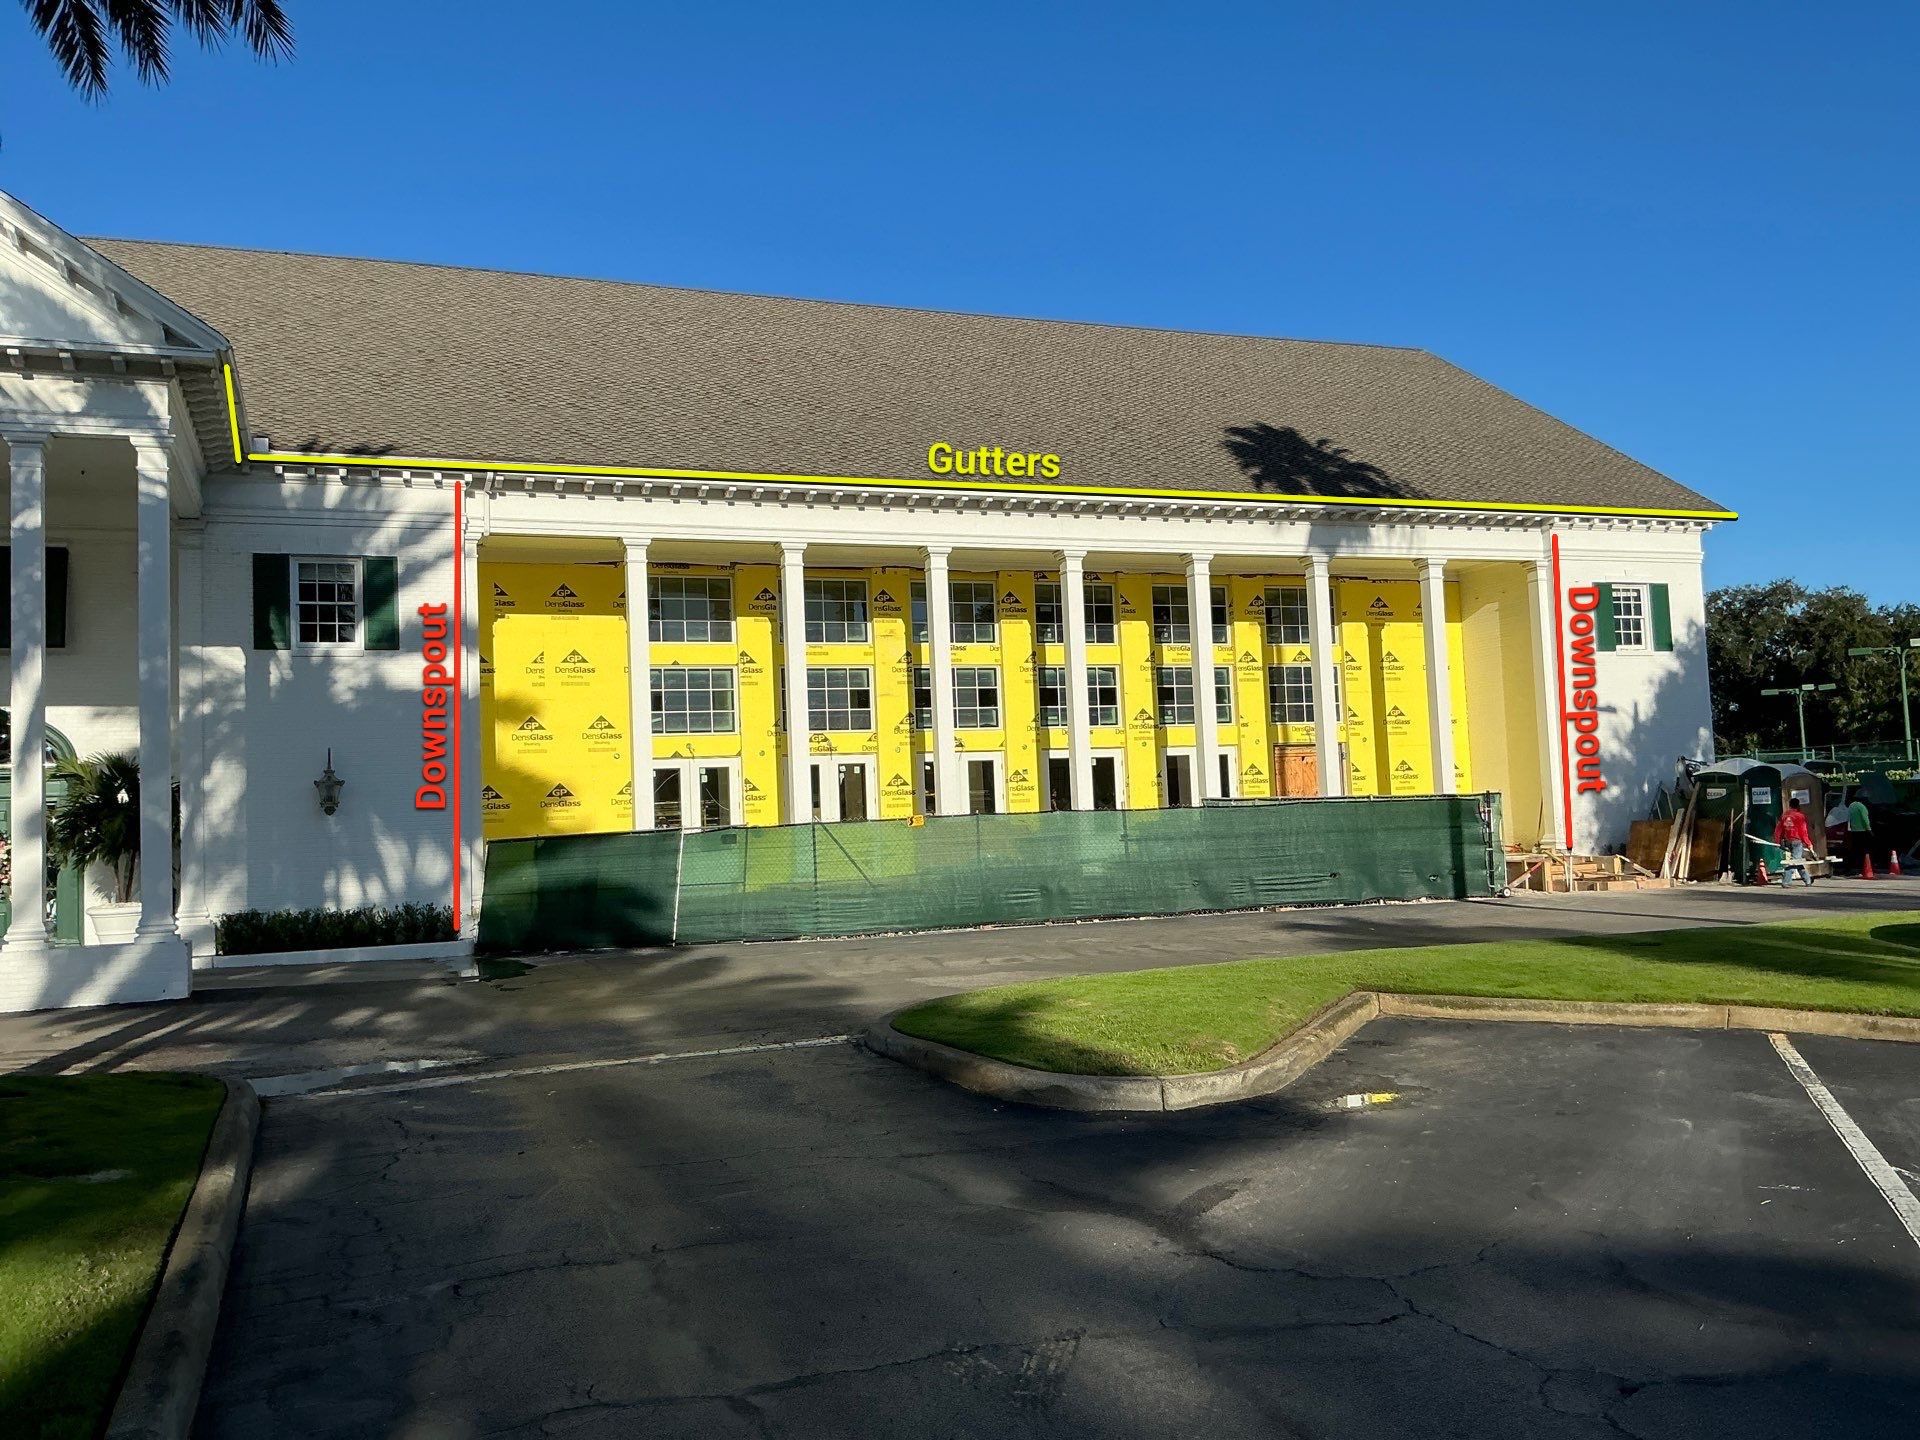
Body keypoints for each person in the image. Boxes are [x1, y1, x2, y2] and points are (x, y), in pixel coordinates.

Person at [1773, 798, 1816, 886]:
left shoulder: (1785, 816)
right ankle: (1786, 881)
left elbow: (1778, 830)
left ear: (1790, 805)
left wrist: (1778, 841)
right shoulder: (1800, 816)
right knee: (1794, 862)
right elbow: (1803, 832)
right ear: (1798, 805)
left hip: (1787, 841)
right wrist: (1809, 844)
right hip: (1796, 841)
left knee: (1797, 860)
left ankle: (1807, 880)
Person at [1848, 792, 1875, 874]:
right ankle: (1863, 867)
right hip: (1863, 831)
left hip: (1853, 831)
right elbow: (1865, 819)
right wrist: (1869, 830)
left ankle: (1854, 867)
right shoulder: (1862, 807)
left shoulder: (1851, 805)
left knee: (1855, 849)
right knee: (1864, 850)